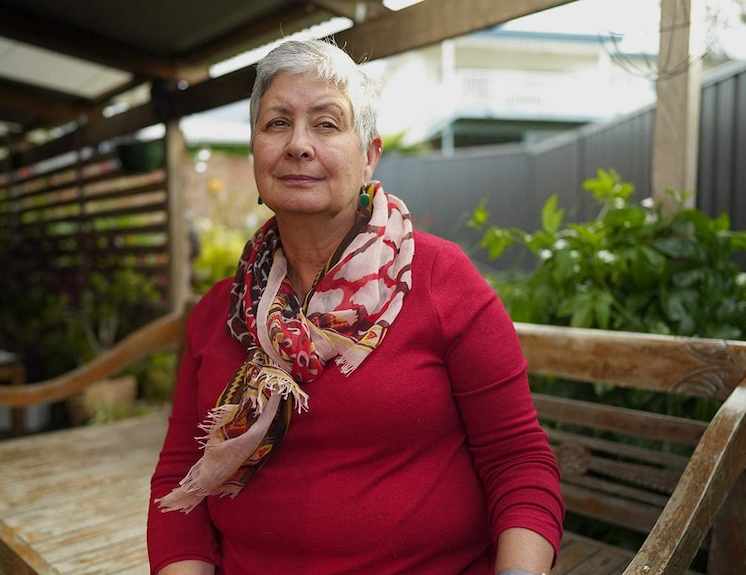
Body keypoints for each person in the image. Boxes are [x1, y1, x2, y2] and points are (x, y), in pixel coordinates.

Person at [147, 38, 564, 575]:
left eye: (326, 123)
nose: (298, 144)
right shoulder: (219, 314)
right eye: (277, 123)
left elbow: (518, 460)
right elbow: (181, 474)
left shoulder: (439, 279)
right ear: (255, 150)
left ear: (369, 155)